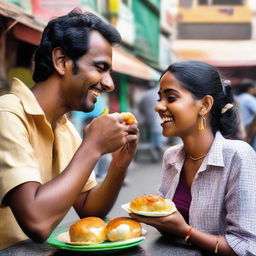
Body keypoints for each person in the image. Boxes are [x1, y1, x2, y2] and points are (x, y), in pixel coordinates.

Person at [0, 9, 139, 250]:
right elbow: (37, 222)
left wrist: (119, 164)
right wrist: (93, 146)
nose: (109, 83)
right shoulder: (7, 115)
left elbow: (88, 207)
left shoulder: (65, 129)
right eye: (100, 67)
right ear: (61, 61)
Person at [131, 61, 256, 256]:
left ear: (205, 105)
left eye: (171, 98)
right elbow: (166, 221)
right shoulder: (171, 156)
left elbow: (247, 246)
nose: (158, 107)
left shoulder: (238, 155)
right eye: (159, 98)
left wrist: (185, 231)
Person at [138, 86, 167, 162]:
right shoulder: (163, 93)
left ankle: (157, 155)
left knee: (155, 140)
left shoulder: (145, 95)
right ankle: (161, 154)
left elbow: (141, 108)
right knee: (158, 141)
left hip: (151, 122)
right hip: (161, 121)